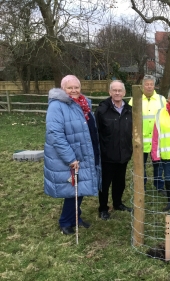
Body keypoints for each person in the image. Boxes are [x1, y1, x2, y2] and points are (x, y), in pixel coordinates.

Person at [44, 75, 101, 235]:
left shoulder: (82, 104)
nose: (74, 90)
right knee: (72, 189)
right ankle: (65, 221)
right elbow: (55, 134)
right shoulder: (57, 106)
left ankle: (76, 217)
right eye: (70, 88)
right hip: (70, 156)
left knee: (79, 187)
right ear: (63, 89)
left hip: (83, 153)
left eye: (76, 87)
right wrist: (70, 158)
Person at [95, 80, 133, 220]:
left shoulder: (129, 110)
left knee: (120, 182)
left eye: (120, 90)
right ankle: (103, 208)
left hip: (123, 154)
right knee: (105, 184)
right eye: (114, 90)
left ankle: (118, 203)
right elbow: (96, 132)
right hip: (107, 155)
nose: (117, 93)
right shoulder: (102, 110)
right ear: (109, 92)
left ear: (124, 92)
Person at [129, 75, 166, 194]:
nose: (149, 86)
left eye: (151, 84)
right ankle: (141, 185)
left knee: (158, 164)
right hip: (141, 139)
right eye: (147, 84)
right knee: (141, 164)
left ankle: (159, 185)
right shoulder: (135, 99)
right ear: (142, 85)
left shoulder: (162, 99)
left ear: (154, 85)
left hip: (157, 139)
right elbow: (130, 118)